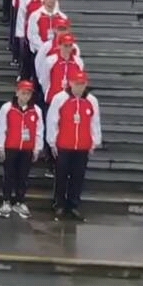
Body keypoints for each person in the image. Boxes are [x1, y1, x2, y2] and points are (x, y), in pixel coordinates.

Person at [46, 70, 102, 222]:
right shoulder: (60, 98)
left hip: (82, 145)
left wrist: (95, 141)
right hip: (64, 144)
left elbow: (94, 122)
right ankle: (59, 204)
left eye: (82, 84)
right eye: (77, 84)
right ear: (70, 83)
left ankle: (74, 204)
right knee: (61, 175)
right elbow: (52, 120)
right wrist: (52, 142)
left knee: (78, 176)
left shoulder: (91, 100)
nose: (79, 87)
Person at [0, 80, 43, 219]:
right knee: (9, 175)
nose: (25, 96)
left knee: (23, 176)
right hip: (11, 146)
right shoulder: (8, 108)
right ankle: (6, 200)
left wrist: (37, 148)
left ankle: (20, 200)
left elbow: (39, 130)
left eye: (28, 94)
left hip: (27, 148)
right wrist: (1, 146)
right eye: (23, 93)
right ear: (17, 93)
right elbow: (1, 128)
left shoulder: (36, 110)